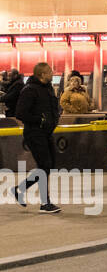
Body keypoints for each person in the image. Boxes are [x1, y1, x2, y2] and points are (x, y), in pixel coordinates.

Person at [11, 62, 62, 213]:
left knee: (48, 166)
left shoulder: (48, 88)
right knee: (45, 165)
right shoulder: (29, 90)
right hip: (34, 133)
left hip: (46, 133)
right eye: (50, 71)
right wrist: (40, 120)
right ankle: (45, 203)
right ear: (42, 74)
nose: (52, 73)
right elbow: (20, 113)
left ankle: (20, 189)